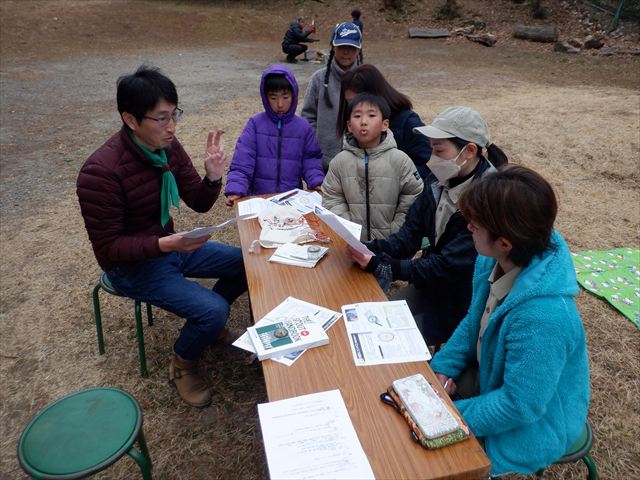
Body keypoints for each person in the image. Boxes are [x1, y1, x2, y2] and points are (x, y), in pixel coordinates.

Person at [76, 65, 247, 408]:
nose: (172, 127)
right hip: (132, 268)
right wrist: (163, 244)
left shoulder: (166, 146)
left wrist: (213, 177)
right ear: (130, 119)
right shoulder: (100, 172)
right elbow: (108, 249)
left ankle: (209, 329)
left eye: (175, 115)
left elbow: (198, 203)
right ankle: (183, 362)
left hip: (170, 248)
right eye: (162, 118)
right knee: (213, 309)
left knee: (247, 262)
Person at [430, 165, 590, 476]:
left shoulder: (543, 318)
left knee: (435, 459)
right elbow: (475, 320)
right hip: (491, 377)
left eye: (474, 225)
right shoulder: (492, 258)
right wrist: (442, 366)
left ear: (505, 242)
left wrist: (450, 417)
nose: (468, 229)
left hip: (532, 422)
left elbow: (520, 405)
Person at [348, 106, 508, 344]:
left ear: (469, 151)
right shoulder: (437, 181)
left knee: (396, 341)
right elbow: (408, 236)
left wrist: (385, 265)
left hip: (465, 298)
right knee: (378, 320)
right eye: (431, 148)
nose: (431, 158)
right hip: (430, 285)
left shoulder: (487, 201)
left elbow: (448, 266)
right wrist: (371, 248)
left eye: (439, 149)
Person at [322, 93, 423, 241]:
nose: (363, 121)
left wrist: (395, 231)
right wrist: (349, 229)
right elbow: (332, 198)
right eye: (357, 116)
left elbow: (413, 195)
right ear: (349, 126)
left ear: (385, 124)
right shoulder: (339, 162)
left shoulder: (400, 160)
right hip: (352, 244)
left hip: (393, 247)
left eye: (371, 115)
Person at [225, 65, 324, 205]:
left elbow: (311, 161)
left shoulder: (303, 127)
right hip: (259, 199)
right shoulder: (255, 124)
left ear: (294, 96)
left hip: (292, 200)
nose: (280, 104)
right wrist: (235, 189)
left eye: (285, 97)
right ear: (265, 98)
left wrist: (316, 182)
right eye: (273, 97)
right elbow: (242, 162)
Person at [337, 64, 433, 180]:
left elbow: (429, 167)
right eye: (349, 102)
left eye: (357, 101)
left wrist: (394, 178)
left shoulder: (407, 122)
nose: (353, 107)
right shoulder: (354, 124)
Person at [301, 22, 362, 171]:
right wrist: (317, 146)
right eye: (341, 47)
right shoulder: (319, 79)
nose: (346, 52)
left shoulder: (366, 79)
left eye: (351, 48)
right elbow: (308, 116)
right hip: (324, 163)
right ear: (333, 47)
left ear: (359, 50)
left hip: (359, 162)